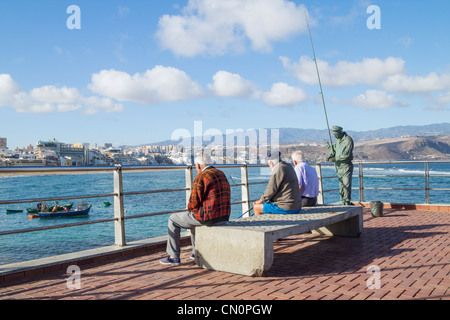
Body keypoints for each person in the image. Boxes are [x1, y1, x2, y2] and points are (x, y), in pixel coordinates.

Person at [160, 153, 231, 266]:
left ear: (198, 165)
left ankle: (173, 256)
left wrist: (190, 209)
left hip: (209, 218)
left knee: (173, 219)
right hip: (223, 216)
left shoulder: (201, 176)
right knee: (194, 218)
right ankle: (196, 252)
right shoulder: (221, 173)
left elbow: (193, 202)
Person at [253, 151, 302, 215]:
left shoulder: (278, 168)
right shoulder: (288, 166)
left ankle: (260, 224)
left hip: (287, 207)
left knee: (256, 207)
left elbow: (271, 189)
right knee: (267, 206)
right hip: (297, 205)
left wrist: (260, 200)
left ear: (270, 163)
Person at [327, 126, 354, 205]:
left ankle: (347, 201)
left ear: (340, 132)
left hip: (346, 166)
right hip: (339, 167)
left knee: (346, 184)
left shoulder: (348, 140)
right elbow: (333, 153)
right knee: (341, 186)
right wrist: (330, 156)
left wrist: (336, 159)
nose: (335, 136)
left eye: (336, 134)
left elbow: (347, 155)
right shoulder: (337, 141)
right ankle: (342, 201)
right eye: (334, 135)